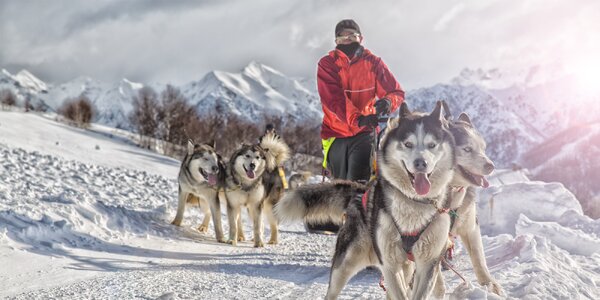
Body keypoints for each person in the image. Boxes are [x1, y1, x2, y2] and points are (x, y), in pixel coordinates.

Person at [309, 19, 405, 233]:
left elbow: (396, 92)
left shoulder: (373, 63)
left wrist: (387, 102)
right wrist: (358, 118)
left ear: (360, 38)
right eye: (343, 37)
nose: (348, 40)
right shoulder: (327, 64)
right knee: (341, 185)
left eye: (352, 36)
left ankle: (360, 236)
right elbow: (333, 100)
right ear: (336, 41)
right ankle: (339, 224)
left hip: (364, 132)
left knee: (359, 184)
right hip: (335, 133)